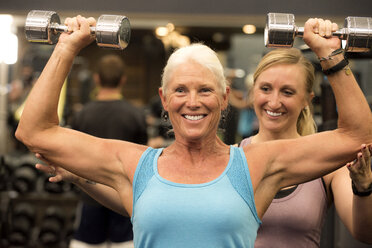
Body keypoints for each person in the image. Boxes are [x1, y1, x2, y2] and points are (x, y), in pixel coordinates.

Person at [15, 15, 372, 248]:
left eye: (204, 91)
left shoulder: (254, 164)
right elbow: (35, 131)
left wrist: (330, 54)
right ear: (164, 99)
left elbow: (357, 135)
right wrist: (66, 46)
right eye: (181, 91)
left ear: (223, 98)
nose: (192, 102)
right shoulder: (135, 164)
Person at [238, 47, 372, 247]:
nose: (274, 102)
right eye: (265, 89)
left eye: (287, 92)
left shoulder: (327, 165)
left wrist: (364, 187)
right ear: (253, 92)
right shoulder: (230, 158)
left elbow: (365, 233)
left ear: (306, 101)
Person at [68, 54, 147, 248]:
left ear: (96, 79)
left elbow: (73, 155)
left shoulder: (81, 115)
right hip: (124, 195)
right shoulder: (136, 115)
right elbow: (141, 157)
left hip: (92, 194)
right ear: (123, 80)